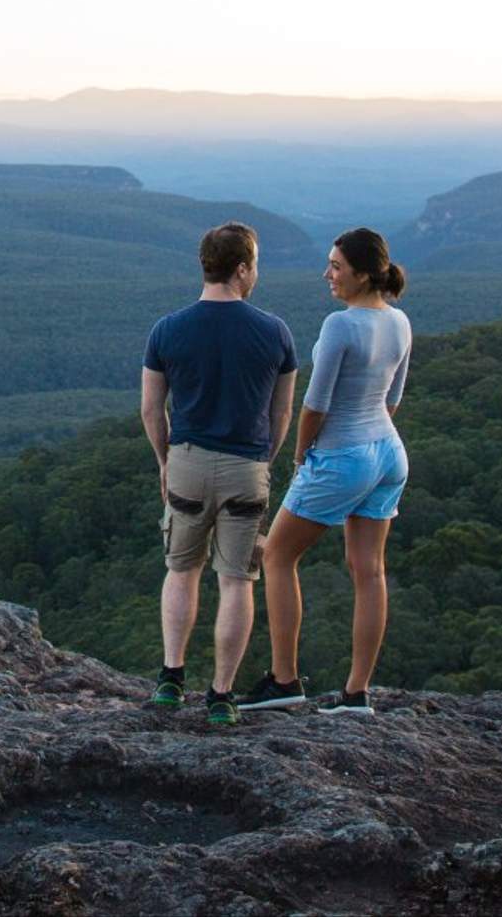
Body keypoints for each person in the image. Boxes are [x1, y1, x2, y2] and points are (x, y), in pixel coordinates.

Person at [244, 226, 411, 715]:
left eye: (336, 267)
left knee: (276, 557)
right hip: (388, 453)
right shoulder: (400, 321)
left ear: (363, 274)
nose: (327, 274)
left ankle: (284, 679)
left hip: (342, 454)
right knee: (369, 571)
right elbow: (393, 399)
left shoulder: (342, 324)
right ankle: (357, 693)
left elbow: (315, 406)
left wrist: (301, 458)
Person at [138, 221, 297, 729]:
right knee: (236, 581)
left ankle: (170, 678)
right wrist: (263, 460)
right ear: (243, 268)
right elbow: (283, 412)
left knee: (181, 570)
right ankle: (222, 696)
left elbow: (149, 408)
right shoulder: (275, 331)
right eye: (255, 265)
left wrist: (165, 460)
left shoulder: (167, 329)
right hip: (246, 467)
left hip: (185, 460)